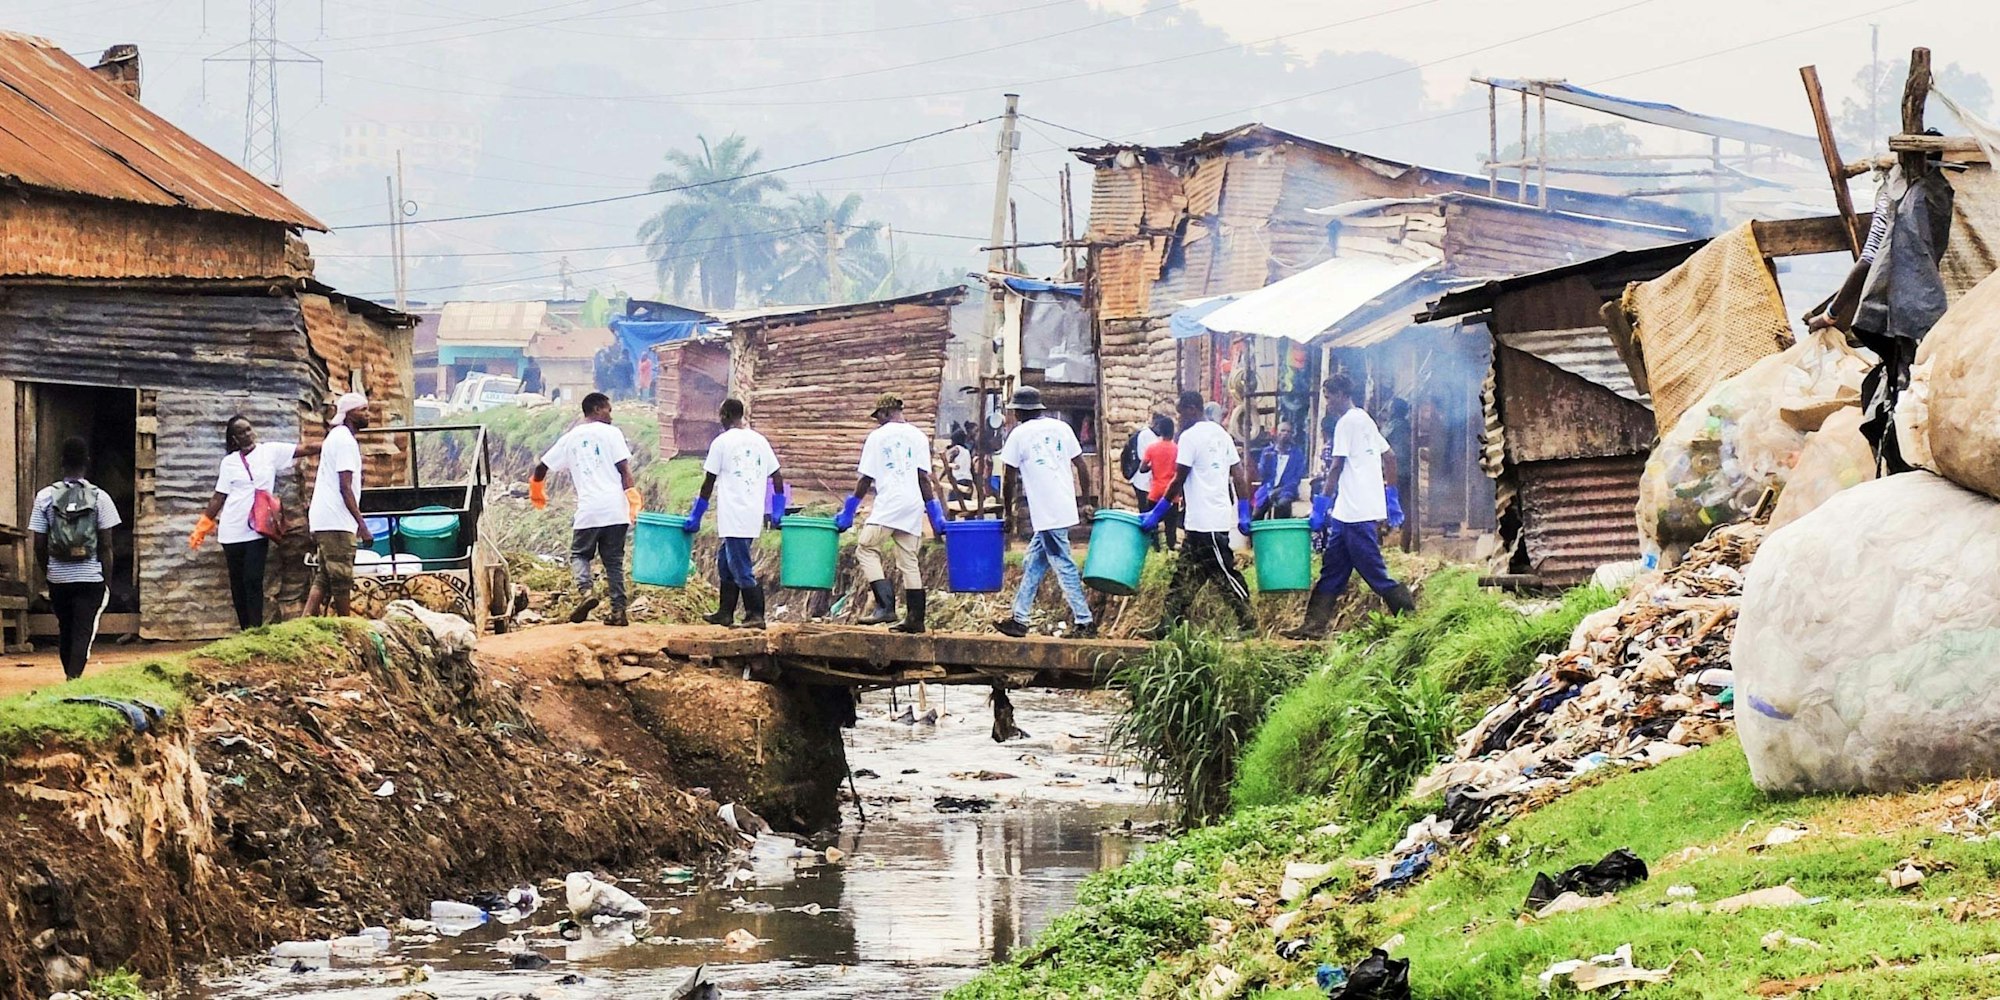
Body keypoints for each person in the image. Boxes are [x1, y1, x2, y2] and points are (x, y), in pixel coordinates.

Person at [1287, 375, 1415, 639]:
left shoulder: (1346, 422)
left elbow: (1336, 467)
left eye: (1329, 397)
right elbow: (1390, 458)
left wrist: (1320, 505)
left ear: (1343, 394)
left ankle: (1411, 617)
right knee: (1332, 571)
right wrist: (1390, 496)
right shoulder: (1365, 419)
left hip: (1357, 513)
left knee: (1374, 571)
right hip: (1347, 513)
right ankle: (1313, 627)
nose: (1328, 403)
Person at [1139, 391, 1255, 638]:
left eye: (1181, 413)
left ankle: (1249, 623)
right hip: (1203, 521)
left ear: (1192, 409)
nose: (1179, 419)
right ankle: (1167, 625)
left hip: (1207, 522)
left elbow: (1178, 479)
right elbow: (1238, 474)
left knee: (1224, 574)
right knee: (1184, 576)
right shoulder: (1221, 434)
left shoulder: (1190, 437)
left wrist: (1157, 512)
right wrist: (1243, 510)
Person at [189, 415, 316, 631]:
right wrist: (203, 526)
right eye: (242, 432)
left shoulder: (269, 452)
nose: (248, 434)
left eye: (249, 429)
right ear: (234, 439)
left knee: (253, 579)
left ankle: (256, 630)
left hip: (257, 529)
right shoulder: (229, 462)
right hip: (231, 530)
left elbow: (304, 449)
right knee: (237, 583)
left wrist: (335, 440)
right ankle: (244, 630)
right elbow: (219, 497)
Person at [835, 394, 948, 633]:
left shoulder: (877, 437)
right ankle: (916, 618)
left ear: (886, 413)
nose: (878, 421)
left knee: (865, 548)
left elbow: (865, 478)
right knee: (909, 561)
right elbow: (923, 478)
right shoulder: (918, 436)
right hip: (913, 504)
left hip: (890, 503)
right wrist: (934, 513)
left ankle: (885, 606)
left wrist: (849, 509)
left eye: (879, 416)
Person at [993, 386, 1096, 639]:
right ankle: (1019, 619)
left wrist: (1008, 513)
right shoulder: (1061, 428)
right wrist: (1084, 501)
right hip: (1061, 507)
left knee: (1063, 563)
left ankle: (1085, 621)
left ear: (1019, 412)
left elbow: (1008, 478)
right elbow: (1081, 466)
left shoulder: (1018, 435)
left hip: (1047, 511)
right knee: (1033, 562)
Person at [531, 392, 642, 627]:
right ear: (597, 408)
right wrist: (632, 499)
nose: (611, 415)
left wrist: (536, 490)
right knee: (613, 562)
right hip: (616, 510)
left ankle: (586, 591)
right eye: (608, 410)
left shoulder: (570, 438)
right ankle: (619, 612)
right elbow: (624, 469)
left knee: (580, 555)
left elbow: (541, 467)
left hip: (589, 510)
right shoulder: (612, 433)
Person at [684, 398, 784, 629]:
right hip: (751, 513)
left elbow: (708, 481)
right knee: (724, 562)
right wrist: (777, 506)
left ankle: (756, 614)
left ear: (725, 415)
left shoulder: (722, 442)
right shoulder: (759, 440)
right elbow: (777, 476)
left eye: (720, 415)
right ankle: (725, 613)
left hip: (735, 514)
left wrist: (697, 514)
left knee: (740, 567)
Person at [30, 437, 120, 681]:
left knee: (66, 630)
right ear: (87, 462)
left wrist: (48, 572)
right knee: (83, 631)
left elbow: (39, 543)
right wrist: (106, 581)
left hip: (58, 578)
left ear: (61, 462)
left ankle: (70, 679)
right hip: (90, 577)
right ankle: (73, 680)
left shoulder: (45, 497)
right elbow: (106, 545)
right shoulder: (100, 497)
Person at [306, 392, 373, 618]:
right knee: (342, 577)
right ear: (350, 414)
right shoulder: (344, 441)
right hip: (336, 520)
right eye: (363, 410)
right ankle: (347, 625)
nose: (368, 414)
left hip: (326, 518)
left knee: (324, 576)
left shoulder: (337, 436)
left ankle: (305, 620)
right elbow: (345, 487)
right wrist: (362, 525)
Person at [1137, 414, 1179, 551]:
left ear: (1160, 431)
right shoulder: (1177, 449)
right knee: (1171, 526)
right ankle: (1171, 549)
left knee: (1153, 524)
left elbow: (1142, 469)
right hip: (1172, 494)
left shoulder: (1152, 448)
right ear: (1173, 431)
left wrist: (1153, 465)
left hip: (1155, 492)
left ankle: (1156, 548)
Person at [1253, 420, 1308, 519]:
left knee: (1282, 505)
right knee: (1256, 513)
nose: (1285, 434)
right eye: (1283, 431)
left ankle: (1279, 528)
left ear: (1292, 435)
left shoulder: (1297, 454)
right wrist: (1265, 461)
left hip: (1287, 490)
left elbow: (1296, 479)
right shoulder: (1267, 452)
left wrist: (1280, 490)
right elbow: (1262, 475)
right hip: (1267, 488)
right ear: (1276, 433)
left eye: (1289, 432)